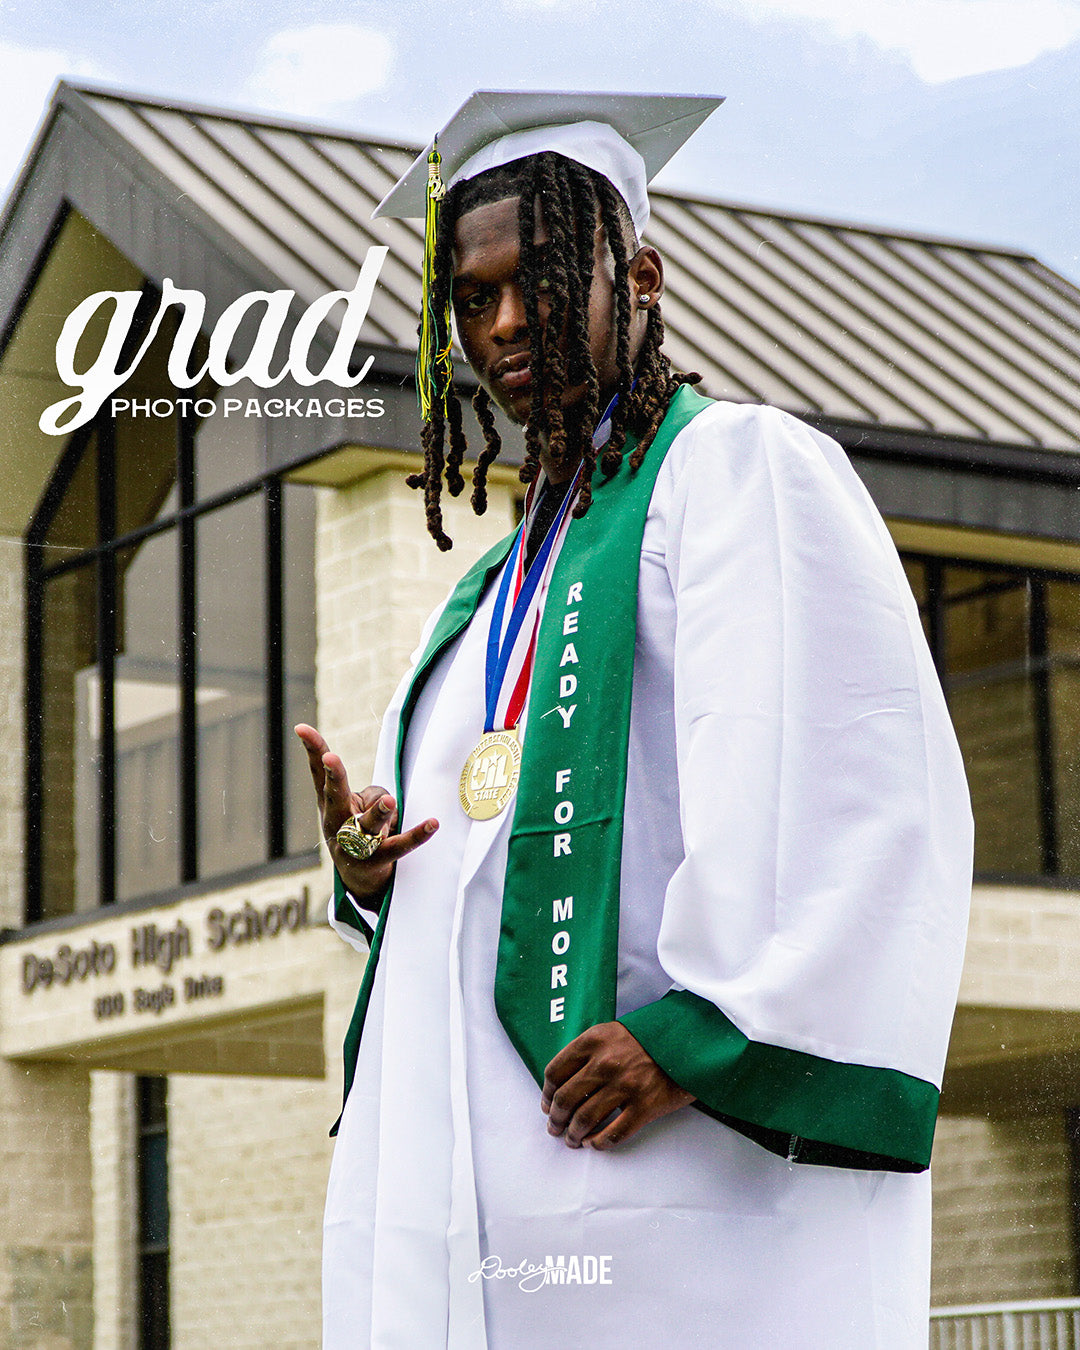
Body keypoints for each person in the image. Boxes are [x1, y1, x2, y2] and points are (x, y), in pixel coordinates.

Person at [296, 90, 973, 1349]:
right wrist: (374, 868)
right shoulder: (492, 588)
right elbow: (493, 868)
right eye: (472, 299)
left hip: (669, 1184)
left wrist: (703, 1037)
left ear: (642, 279)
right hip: (477, 1197)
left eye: (540, 278)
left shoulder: (739, 473)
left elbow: (853, 784)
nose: (505, 323)